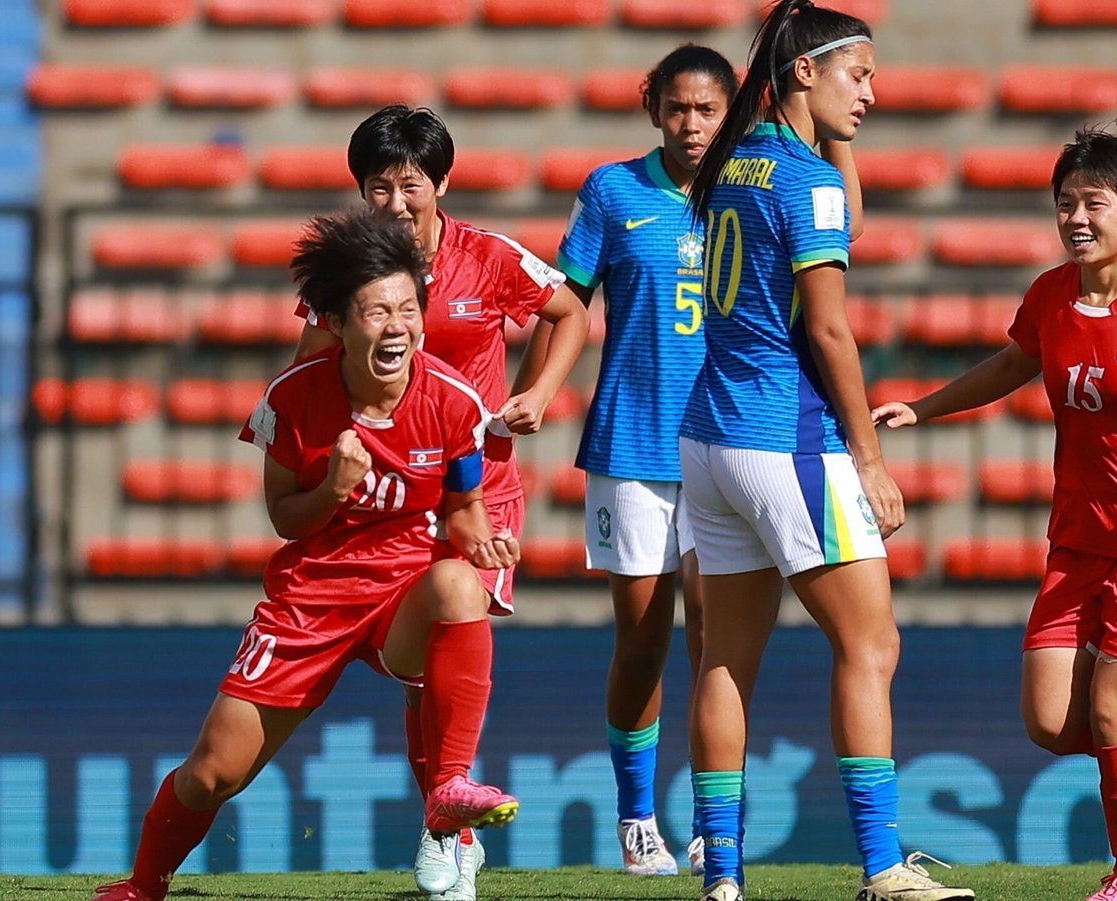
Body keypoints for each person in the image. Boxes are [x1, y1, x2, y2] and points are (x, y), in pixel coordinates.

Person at [874, 128, 1117, 901]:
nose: (1077, 217)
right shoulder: (1052, 293)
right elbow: (1013, 362)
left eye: (1095, 202)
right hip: (1075, 546)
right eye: (1065, 203)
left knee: (1114, 713)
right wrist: (925, 409)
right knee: (1055, 724)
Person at [91, 211, 521, 901]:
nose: (397, 326)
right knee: (212, 772)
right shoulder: (293, 398)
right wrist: (332, 488)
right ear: (336, 321)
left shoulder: (454, 400)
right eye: (376, 310)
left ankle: (448, 790)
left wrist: (482, 539)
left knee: (459, 586)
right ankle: (143, 886)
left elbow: (462, 508)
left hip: (402, 592)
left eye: (409, 309)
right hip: (311, 599)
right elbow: (285, 519)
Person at [678, 3, 973, 901]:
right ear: (805, 71)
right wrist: (868, 457)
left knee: (725, 659)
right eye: (860, 76)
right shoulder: (801, 179)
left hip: (709, 439)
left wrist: (834, 133)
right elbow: (834, 331)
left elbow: (841, 208)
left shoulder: (733, 159)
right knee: (870, 642)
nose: (873, 94)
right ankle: (883, 865)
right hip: (785, 435)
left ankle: (722, 877)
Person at [291, 105, 590, 900]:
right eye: (377, 187)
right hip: (390, 506)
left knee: (440, 659)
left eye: (409, 185)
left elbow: (569, 314)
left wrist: (537, 393)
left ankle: (442, 830)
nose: (393, 202)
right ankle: (448, 824)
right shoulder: (352, 275)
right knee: (425, 671)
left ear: (442, 185)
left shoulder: (487, 257)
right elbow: (309, 370)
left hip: (474, 491)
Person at [530, 43, 736, 877]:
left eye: (708, 110)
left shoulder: (750, 193)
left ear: (731, 115)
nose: (692, 125)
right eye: (679, 108)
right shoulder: (612, 191)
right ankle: (636, 817)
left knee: (716, 640)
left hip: (726, 444)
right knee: (644, 641)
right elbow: (565, 299)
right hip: (631, 442)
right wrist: (534, 392)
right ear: (654, 107)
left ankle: (713, 822)